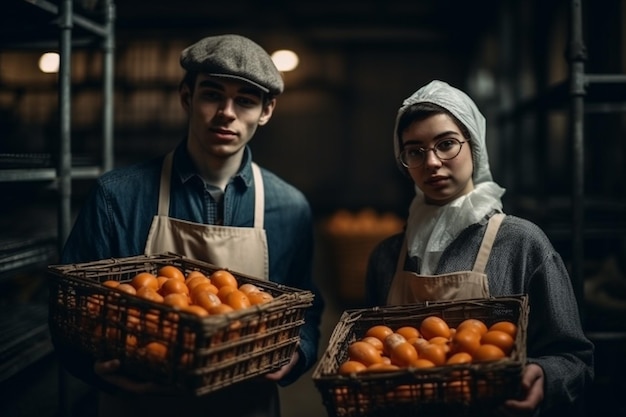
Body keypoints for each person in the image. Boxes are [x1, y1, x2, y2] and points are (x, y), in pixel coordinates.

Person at [57, 33, 324, 417]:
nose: (227, 112)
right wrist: (95, 369)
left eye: (245, 101)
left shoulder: (290, 207)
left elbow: (308, 307)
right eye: (212, 94)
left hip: (246, 404)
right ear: (187, 97)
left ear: (266, 112)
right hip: (142, 403)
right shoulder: (118, 195)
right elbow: (74, 309)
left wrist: (296, 355)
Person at [365, 80, 594, 416]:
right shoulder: (386, 256)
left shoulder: (521, 243)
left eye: (446, 144)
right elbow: (370, 350)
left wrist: (544, 376)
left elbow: (574, 358)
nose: (431, 162)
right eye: (415, 150)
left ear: (474, 145)